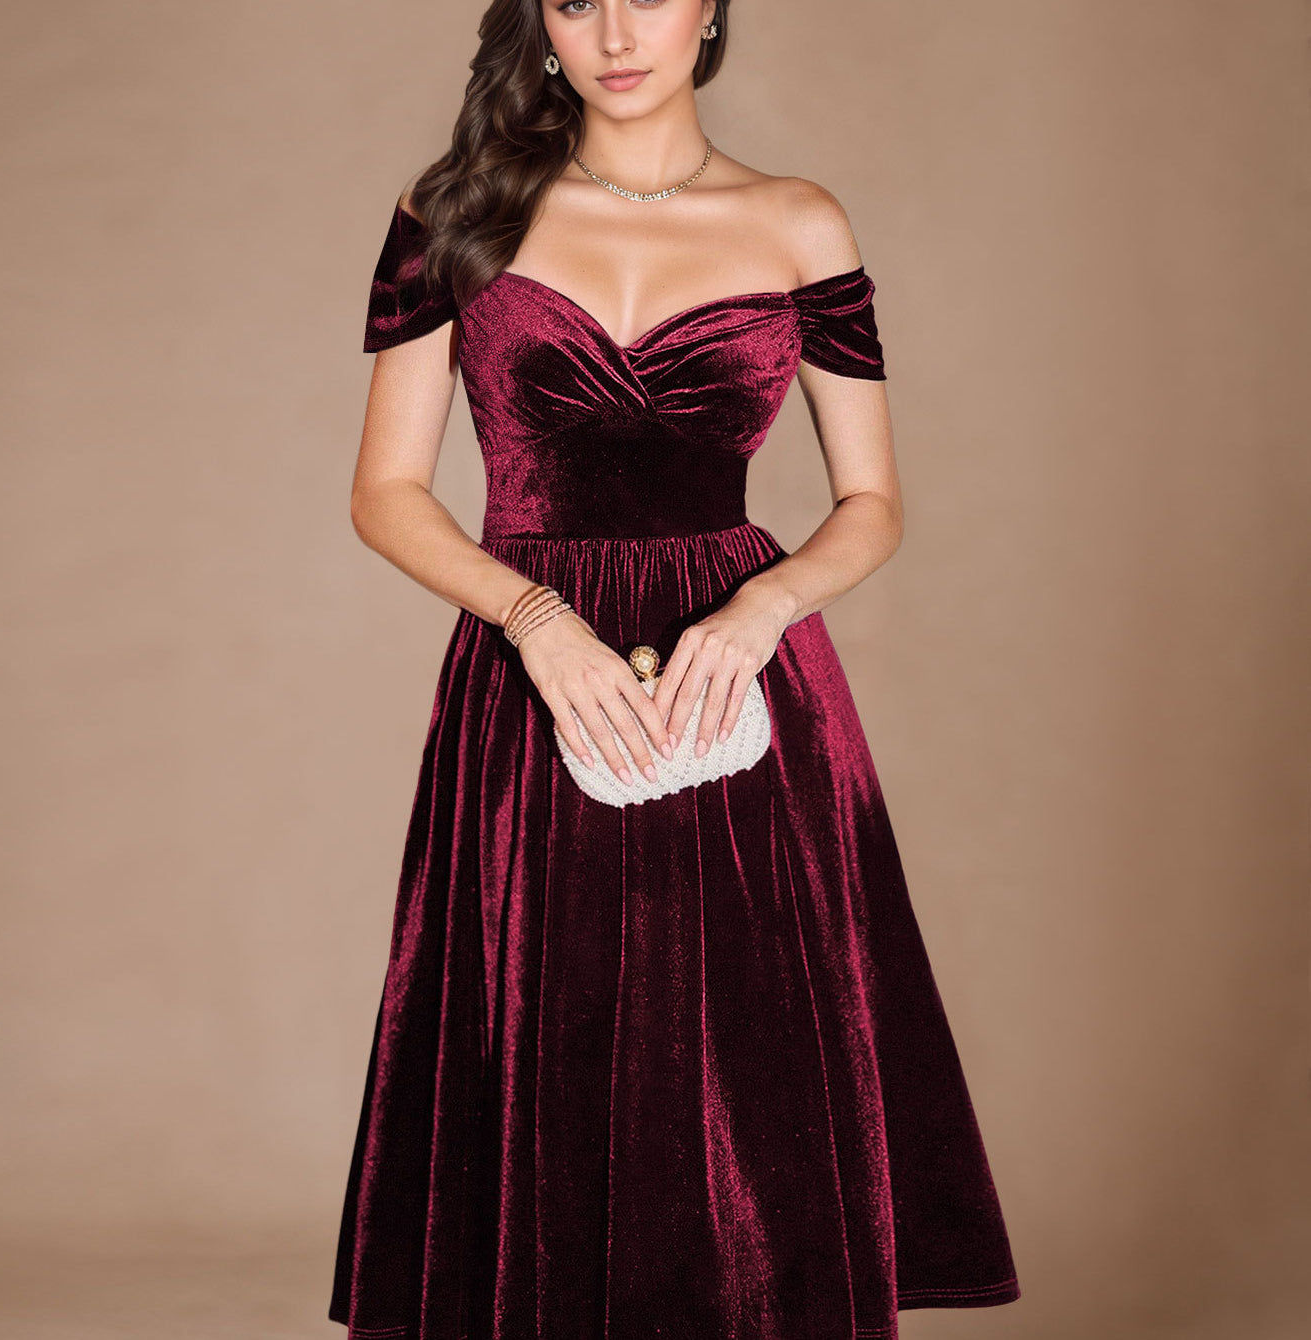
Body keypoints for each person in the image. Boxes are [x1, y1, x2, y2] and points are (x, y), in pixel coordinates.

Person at [329, 2, 1021, 1337]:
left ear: (710, 9)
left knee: (754, 1072)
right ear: (541, 27)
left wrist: (766, 609)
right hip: (540, 679)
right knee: (545, 1041)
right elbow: (386, 494)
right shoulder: (452, 209)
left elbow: (873, 502)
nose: (615, 32)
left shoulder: (801, 222)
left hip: (741, 677)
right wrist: (534, 622)